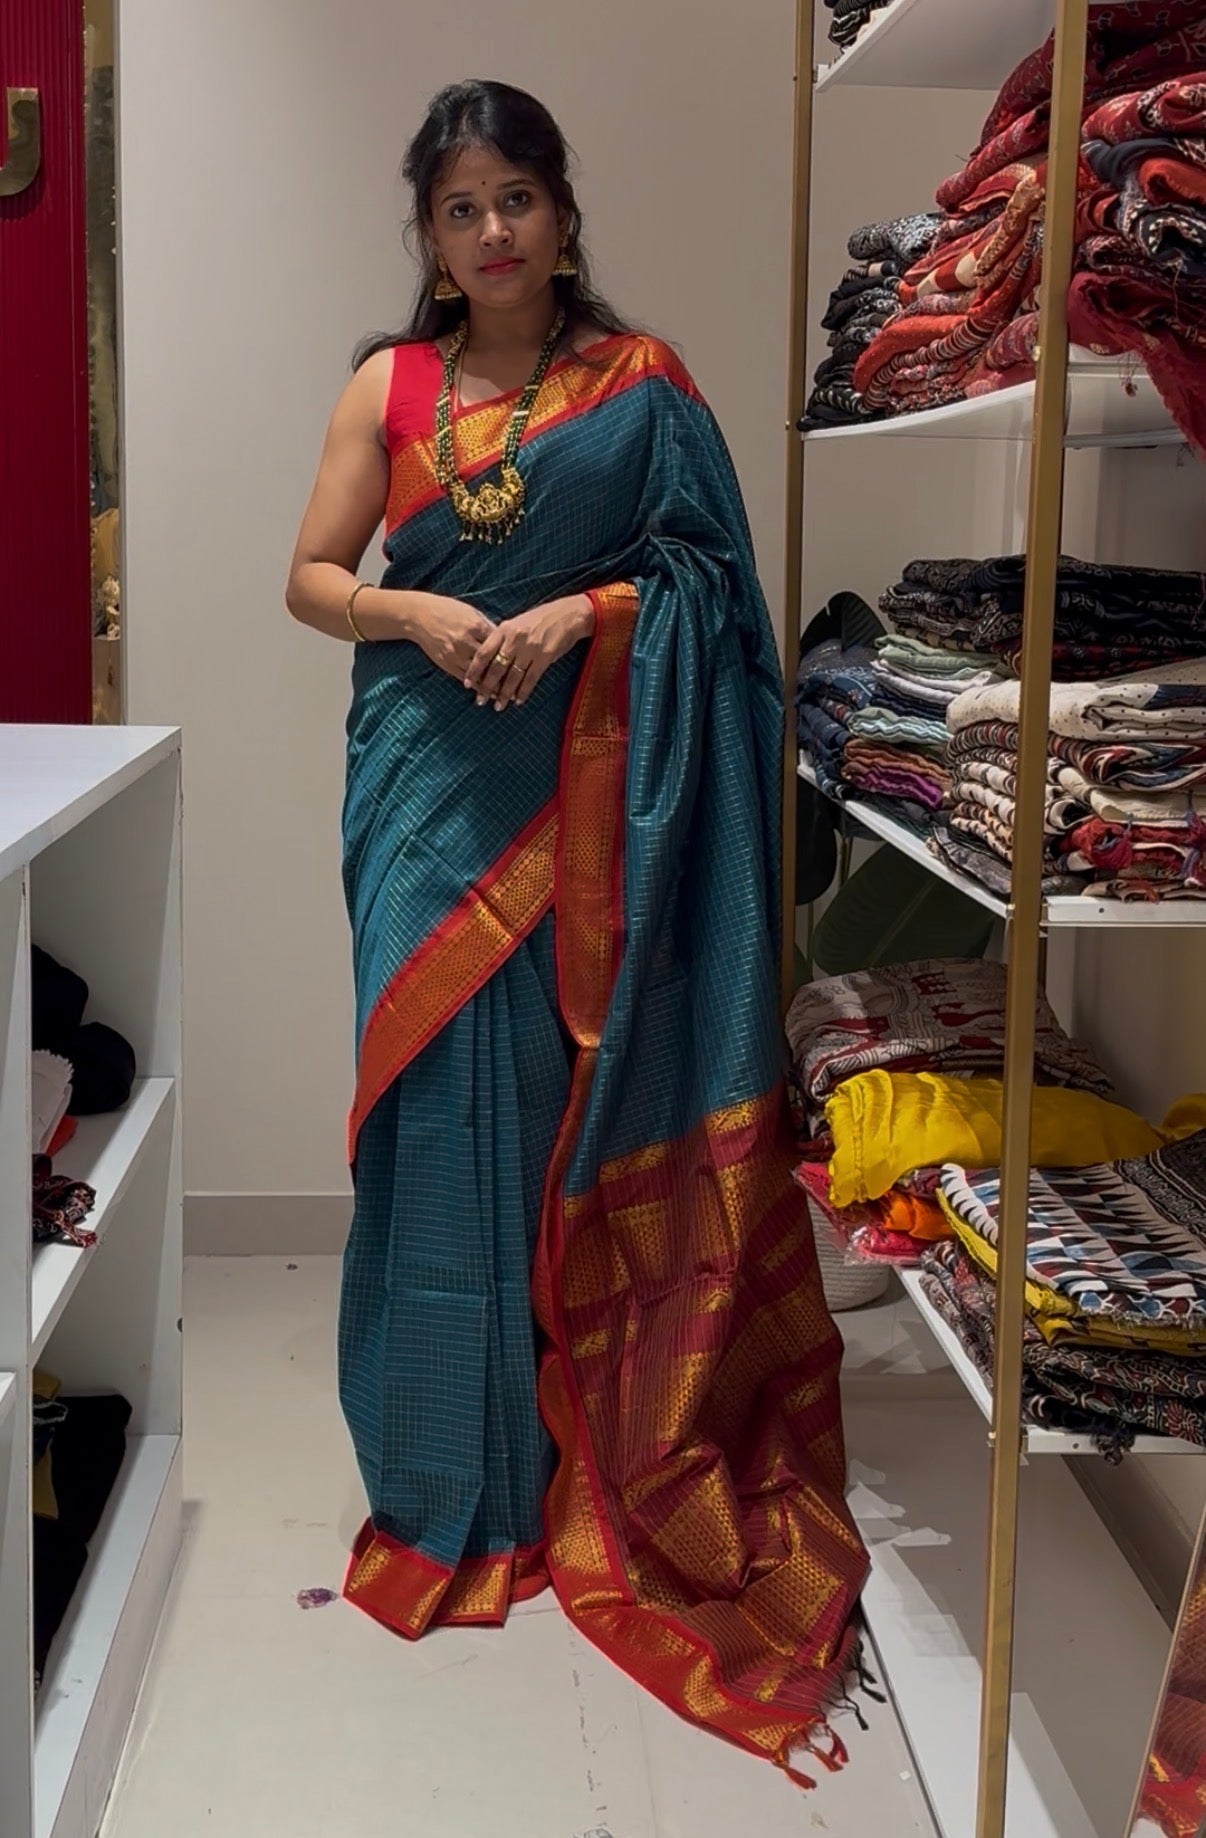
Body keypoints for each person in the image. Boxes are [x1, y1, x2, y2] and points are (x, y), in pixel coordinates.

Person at [286, 78, 867, 1781]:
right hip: (421, 786)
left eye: (518, 199)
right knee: (427, 1114)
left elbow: (715, 595)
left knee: (554, 1111)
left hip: (597, 798)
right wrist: (420, 608)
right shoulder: (382, 385)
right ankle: (440, 1478)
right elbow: (313, 576)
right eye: (461, 210)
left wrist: (581, 610)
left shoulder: (641, 389)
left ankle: (575, 1462)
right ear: (428, 237)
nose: (493, 234)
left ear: (559, 212)